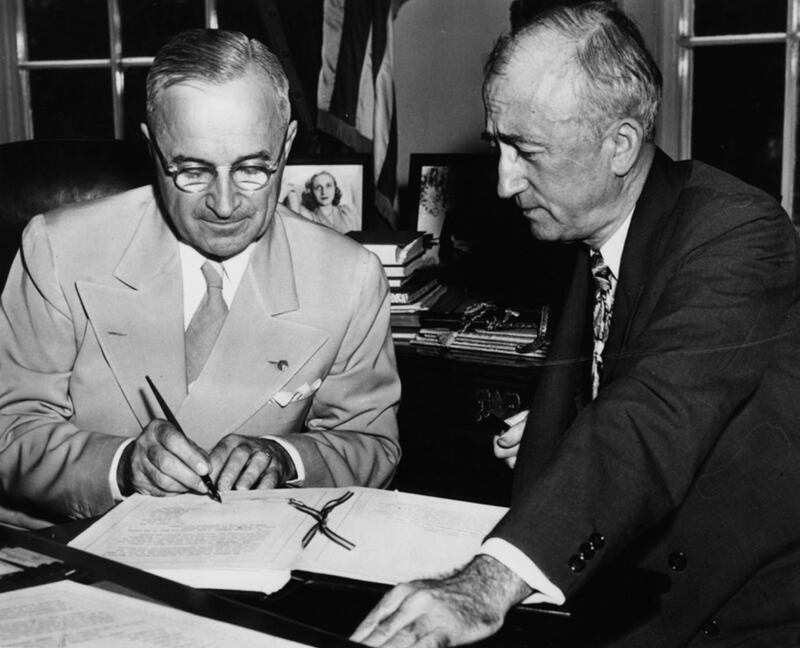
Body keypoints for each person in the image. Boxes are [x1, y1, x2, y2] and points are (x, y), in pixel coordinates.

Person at [352, 2, 800, 646]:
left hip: (739, 611)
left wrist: (487, 585)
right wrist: (571, 421)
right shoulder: (593, 229)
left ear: (619, 145)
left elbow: (655, 414)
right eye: (498, 146)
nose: (505, 183)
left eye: (526, 151)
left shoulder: (738, 230)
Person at [0, 29, 400, 528]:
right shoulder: (58, 249)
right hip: (75, 543)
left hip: (246, 549)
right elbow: (10, 428)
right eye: (192, 171)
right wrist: (121, 467)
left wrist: (285, 459)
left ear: (288, 143)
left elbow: (370, 443)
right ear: (152, 148)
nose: (226, 205)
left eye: (254, 168)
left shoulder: (350, 277)